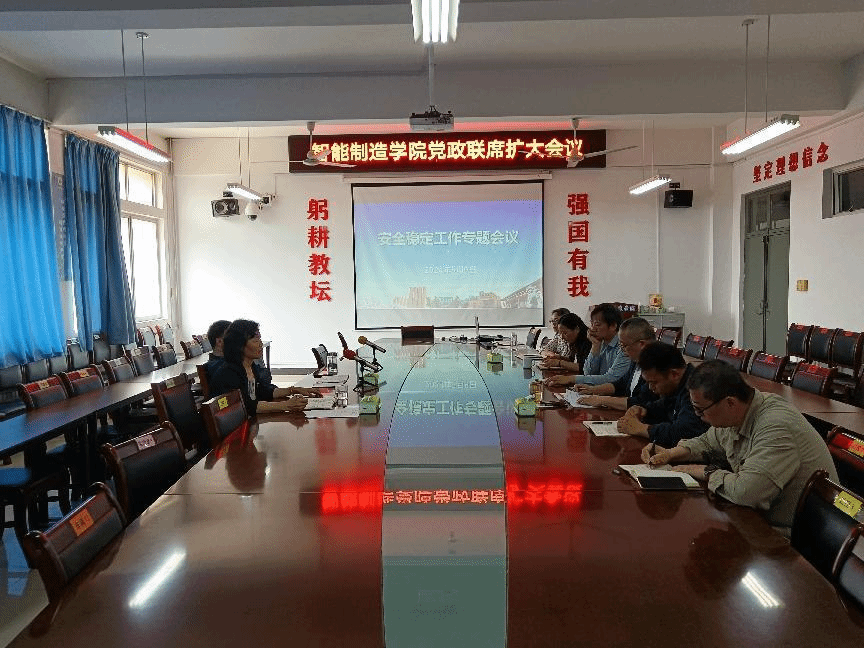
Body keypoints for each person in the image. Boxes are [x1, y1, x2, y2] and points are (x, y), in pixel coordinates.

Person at [641, 360, 838, 535]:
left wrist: (706, 471)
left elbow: (747, 492)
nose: (699, 417)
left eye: (701, 410)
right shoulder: (739, 412)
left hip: (791, 539)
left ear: (730, 403)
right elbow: (707, 441)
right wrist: (671, 454)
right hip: (758, 521)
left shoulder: (775, 427)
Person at [209, 319, 321, 415]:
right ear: (240, 345)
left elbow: (263, 391)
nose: (261, 344)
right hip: (235, 429)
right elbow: (247, 406)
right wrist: (286, 405)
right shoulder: (229, 372)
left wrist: (293, 390)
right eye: (256, 340)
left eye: (260, 339)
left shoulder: (250, 366)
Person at [616, 341, 709, 445]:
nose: (650, 388)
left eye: (654, 382)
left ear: (674, 374)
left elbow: (684, 433)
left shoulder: (696, 389)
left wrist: (641, 428)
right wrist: (644, 411)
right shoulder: (676, 385)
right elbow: (663, 407)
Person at [573, 317, 657, 410]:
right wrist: (592, 389)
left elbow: (642, 402)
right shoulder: (637, 361)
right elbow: (620, 384)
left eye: (624, 346)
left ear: (641, 344)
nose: (623, 351)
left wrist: (602, 400)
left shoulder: (656, 365)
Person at [545, 303, 632, 386]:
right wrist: (595, 346)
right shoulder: (601, 342)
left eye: (597, 324)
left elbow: (611, 378)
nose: (592, 328)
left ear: (613, 326)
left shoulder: (624, 347)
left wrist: (571, 379)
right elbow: (588, 372)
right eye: (592, 324)